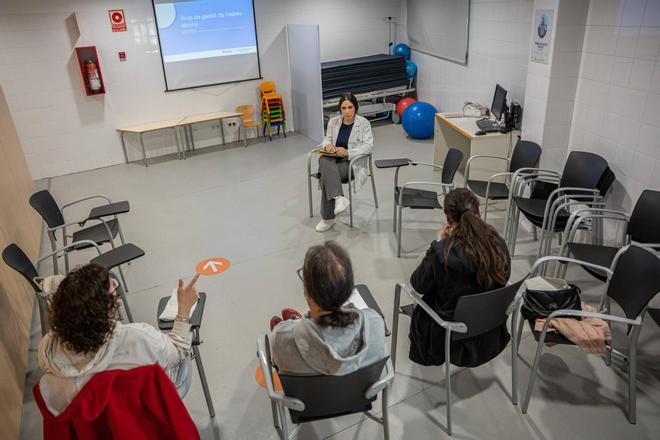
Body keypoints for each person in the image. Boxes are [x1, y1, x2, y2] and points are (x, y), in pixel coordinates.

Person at [37, 263, 199, 416]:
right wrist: (183, 310)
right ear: (106, 309)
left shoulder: (49, 358)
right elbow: (178, 351)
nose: (115, 286)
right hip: (146, 409)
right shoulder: (139, 339)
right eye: (113, 288)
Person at [408, 188, 511, 367]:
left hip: (448, 333)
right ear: (480, 212)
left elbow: (417, 284)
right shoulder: (498, 243)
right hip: (490, 328)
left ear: (449, 220)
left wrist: (440, 244)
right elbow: (505, 277)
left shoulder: (442, 253)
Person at [270, 241, 386, 375]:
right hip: (358, 394)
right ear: (348, 290)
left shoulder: (281, 339)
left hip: (308, 396)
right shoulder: (375, 322)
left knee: (285, 334)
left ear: (307, 292)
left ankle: (295, 321)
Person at [315, 93, 374, 232]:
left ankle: (328, 218)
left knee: (326, 174)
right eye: (344, 108)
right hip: (334, 160)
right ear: (340, 109)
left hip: (351, 163)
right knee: (324, 159)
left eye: (350, 107)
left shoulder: (364, 123)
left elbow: (368, 146)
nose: (347, 111)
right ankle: (339, 197)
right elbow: (326, 139)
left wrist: (348, 152)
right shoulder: (333, 122)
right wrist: (327, 145)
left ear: (356, 108)